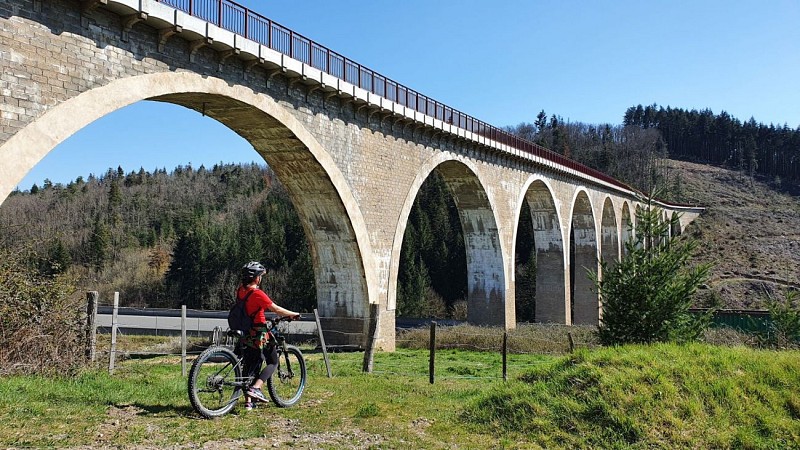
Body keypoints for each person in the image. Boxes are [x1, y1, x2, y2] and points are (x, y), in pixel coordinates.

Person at [236, 261, 300, 410]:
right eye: (260, 276)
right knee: (272, 362)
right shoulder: (257, 293)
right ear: (257, 278)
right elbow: (276, 309)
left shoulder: (240, 290)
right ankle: (256, 388)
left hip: (246, 331)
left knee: (251, 363)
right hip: (258, 332)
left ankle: (249, 402)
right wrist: (294, 314)